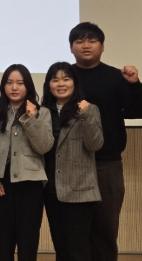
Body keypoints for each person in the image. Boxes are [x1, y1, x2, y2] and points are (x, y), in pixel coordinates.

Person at [68, 22, 142, 261]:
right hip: (72, 164)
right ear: (71, 47)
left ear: (102, 46)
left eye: (92, 40)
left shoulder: (115, 77)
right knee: (76, 231)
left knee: (106, 229)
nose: (86, 45)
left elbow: (136, 111)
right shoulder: (64, 77)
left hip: (107, 164)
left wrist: (134, 85)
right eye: (79, 41)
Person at [0, 64, 53, 261]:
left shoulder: (42, 113)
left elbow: (44, 146)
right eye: (9, 83)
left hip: (30, 185)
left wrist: (32, 118)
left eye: (20, 83)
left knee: (28, 242)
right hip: (1, 186)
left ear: (28, 86)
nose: (14, 87)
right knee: (2, 242)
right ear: (3, 86)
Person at [41, 62, 104, 261]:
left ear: (75, 83)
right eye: (55, 80)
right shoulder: (43, 112)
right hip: (52, 189)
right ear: (48, 85)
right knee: (60, 248)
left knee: (78, 249)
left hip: (79, 191)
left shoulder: (89, 109)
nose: (61, 84)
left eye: (66, 79)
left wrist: (85, 115)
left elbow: (95, 144)